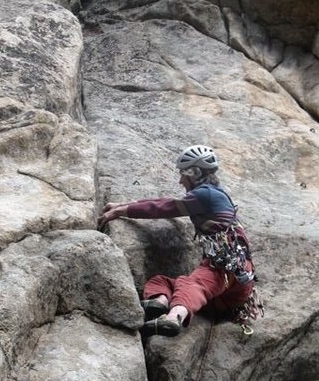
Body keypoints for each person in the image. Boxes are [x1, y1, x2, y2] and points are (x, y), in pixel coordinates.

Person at [97, 144, 260, 337]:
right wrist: (124, 204)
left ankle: (173, 317)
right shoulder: (212, 195)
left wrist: (122, 211)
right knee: (161, 282)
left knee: (191, 284)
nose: (180, 180)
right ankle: (160, 302)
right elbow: (166, 202)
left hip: (225, 268)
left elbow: (164, 207)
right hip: (232, 292)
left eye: (183, 174)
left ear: (195, 172)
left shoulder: (206, 194)